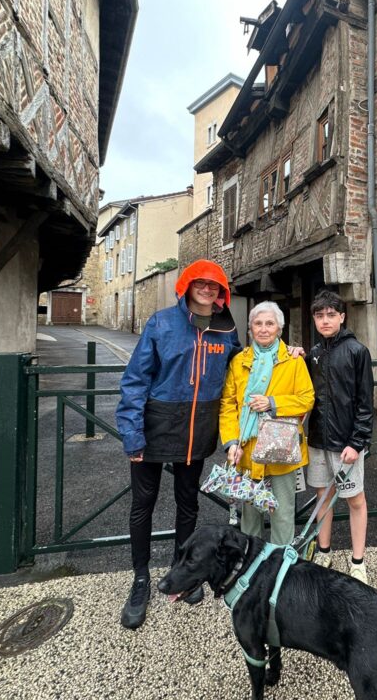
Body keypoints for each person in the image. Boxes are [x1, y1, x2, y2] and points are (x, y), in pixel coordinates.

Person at [115, 259, 239, 629]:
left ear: (221, 292)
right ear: (187, 286)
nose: (206, 288)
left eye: (213, 285)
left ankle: (180, 568)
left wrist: (286, 354)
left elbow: (246, 366)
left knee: (188, 504)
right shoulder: (161, 323)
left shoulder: (226, 330)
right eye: (199, 283)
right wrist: (132, 434)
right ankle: (140, 579)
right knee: (144, 504)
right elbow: (136, 380)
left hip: (197, 432)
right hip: (155, 429)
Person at [219, 301, 314, 544]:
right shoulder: (239, 361)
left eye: (269, 323)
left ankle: (282, 567)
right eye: (258, 324)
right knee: (250, 516)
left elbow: (307, 399)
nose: (263, 329)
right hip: (247, 451)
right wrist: (231, 443)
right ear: (250, 329)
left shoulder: (294, 361)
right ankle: (252, 567)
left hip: (281, 450)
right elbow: (228, 404)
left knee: (283, 513)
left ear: (279, 329)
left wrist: (273, 403)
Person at [305, 290, 374, 584]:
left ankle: (358, 560)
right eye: (319, 315)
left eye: (331, 315)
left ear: (342, 317)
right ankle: (324, 550)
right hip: (318, 440)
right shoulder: (314, 354)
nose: (325, 320)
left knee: (355, 500)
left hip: (346, 443)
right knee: (323, 497)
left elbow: (364, 401)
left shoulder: (357, 351)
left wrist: (357, 442)